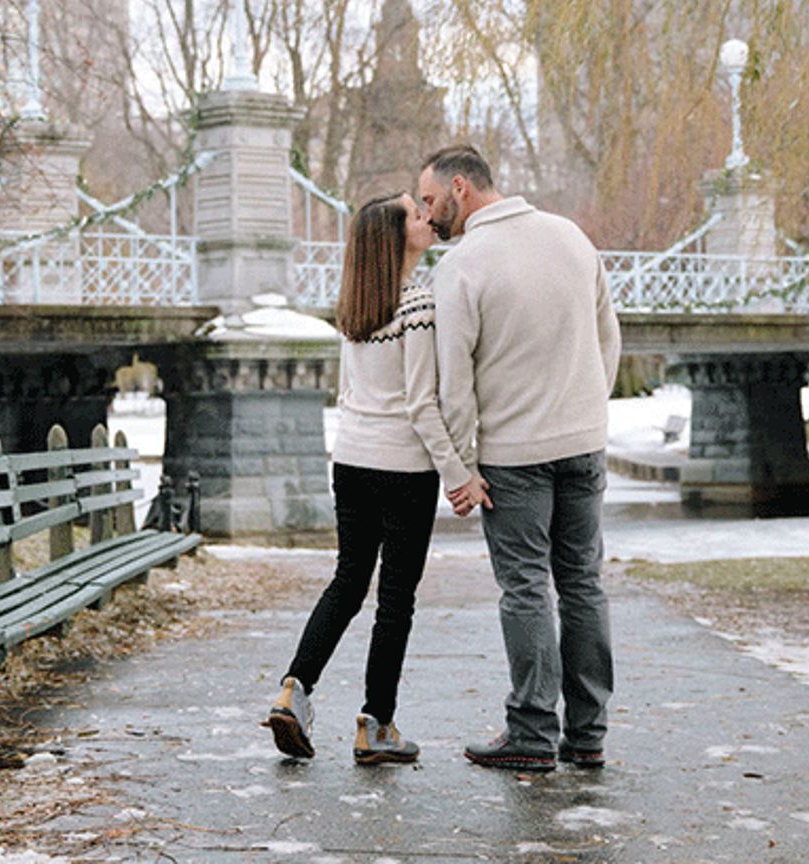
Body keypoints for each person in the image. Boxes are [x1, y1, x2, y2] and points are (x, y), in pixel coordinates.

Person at [417, 144, 621, 774]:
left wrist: (461, 467)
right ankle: (587, 734)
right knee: (582, 583)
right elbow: (608, 339)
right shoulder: (571, 237)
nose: (428, 215)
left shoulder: (462, 265)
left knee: (526, 587)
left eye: (430, 200)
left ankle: (531, 732)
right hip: (583, 445)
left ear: (460, 187)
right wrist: (587, 413)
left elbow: (455, 383)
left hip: (513, 457)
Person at [262, 192, 473, 766]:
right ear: (395, 238)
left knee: (348, 581)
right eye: (415, 214)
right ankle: (376, 725)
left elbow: (348, 393)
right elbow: (422, 404)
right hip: (404, 467)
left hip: (352, 460)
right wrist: (459, 475)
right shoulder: (418, 303)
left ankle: (293, 690)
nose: (426, 217)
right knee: (395, 601)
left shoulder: (355, 306)